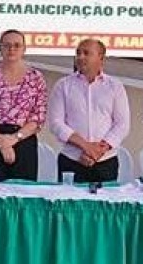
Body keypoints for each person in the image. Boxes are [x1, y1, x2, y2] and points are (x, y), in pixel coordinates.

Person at [47, 38, 131, 184]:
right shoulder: (63, 85)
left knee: (105, 200)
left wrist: (97, 152)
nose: (80, 57)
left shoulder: (115, 86)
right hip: (71, 160)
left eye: (86, 53)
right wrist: (86, 146)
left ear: (101, 58)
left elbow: (122, 124)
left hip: (105, 161)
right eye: (78, 53)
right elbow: (56, 123)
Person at [0, 28, 48, 182]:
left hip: (23, 141)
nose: (12, 49)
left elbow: (38, 117)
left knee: (22, 193)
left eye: (17, 45)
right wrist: (1, 142)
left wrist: (13, 139)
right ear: (0, 49)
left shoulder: (36, 78)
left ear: (24, 49)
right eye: (6, 45)